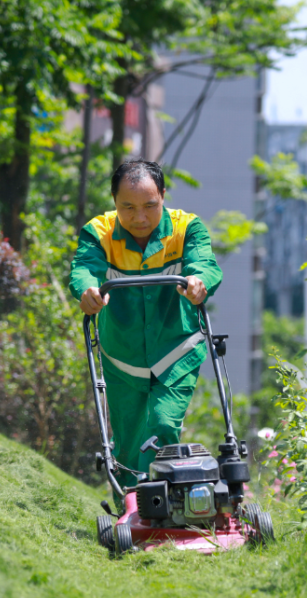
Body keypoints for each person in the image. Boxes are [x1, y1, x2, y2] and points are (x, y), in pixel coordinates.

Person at [69, 160, 222, 497]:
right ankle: (130, 509)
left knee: (164, 423)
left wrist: (200, 282)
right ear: (113, 202)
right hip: (122, 357)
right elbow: (84, 269)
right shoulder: (99, 233)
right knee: (126, 444)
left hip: (176, 351)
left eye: (150, 206)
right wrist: (87, 291)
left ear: (163, 196)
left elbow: (205, 264)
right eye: (128, 207)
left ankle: (170, 501)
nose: (139, 218)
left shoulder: (187, 229)